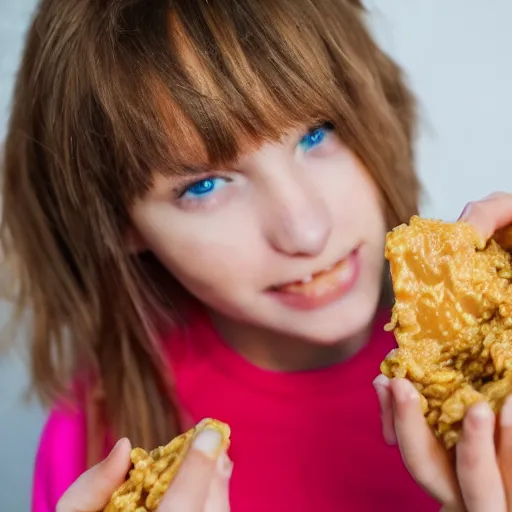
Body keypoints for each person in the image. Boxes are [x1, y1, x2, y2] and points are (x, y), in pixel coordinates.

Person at [2, 0, 511, 510]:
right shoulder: (95, 447)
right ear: (118, 224)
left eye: (318, 133)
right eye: (204, 185)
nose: (306, 232)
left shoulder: (495, 349)